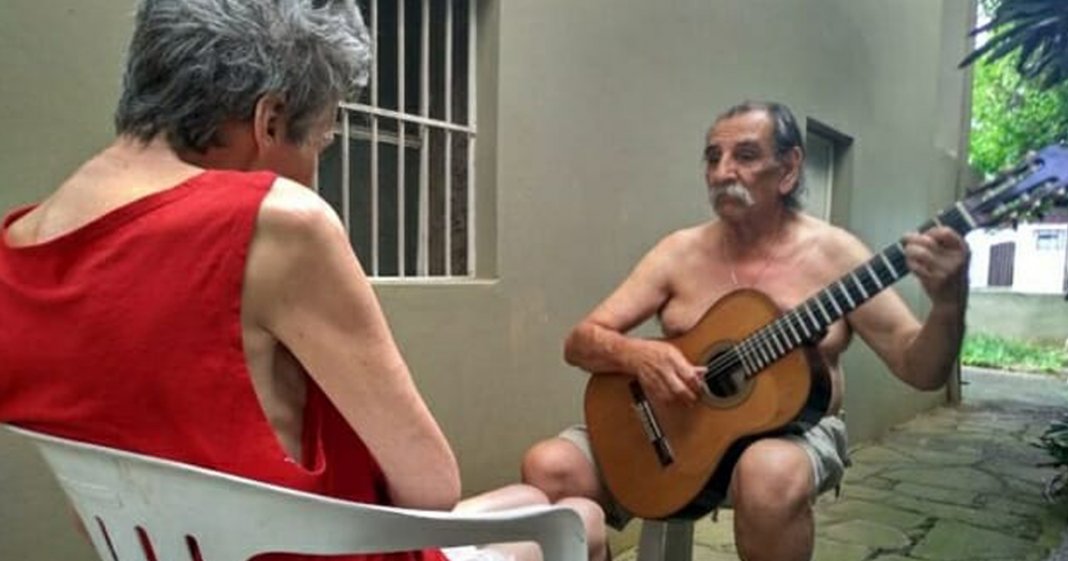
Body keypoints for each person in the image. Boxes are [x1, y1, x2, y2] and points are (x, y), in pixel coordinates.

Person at [0, 2, 605, 561]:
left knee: (531, 499)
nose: (318, 170)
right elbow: (430, 488)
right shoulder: (275, 222)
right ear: (269, 119)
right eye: (324, 142)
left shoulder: (19, 243)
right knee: (582, 516)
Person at [521, 101, 969, 561]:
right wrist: (639, 356)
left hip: (795, 433)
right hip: (676, 427)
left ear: (790, 167)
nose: (721, 171)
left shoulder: (837, 256)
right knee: (549, 466)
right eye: (713, 157)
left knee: (766, 472)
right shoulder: (679, 251)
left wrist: (949, 302)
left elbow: (920, 368)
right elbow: (580, 342)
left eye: (745, 155)